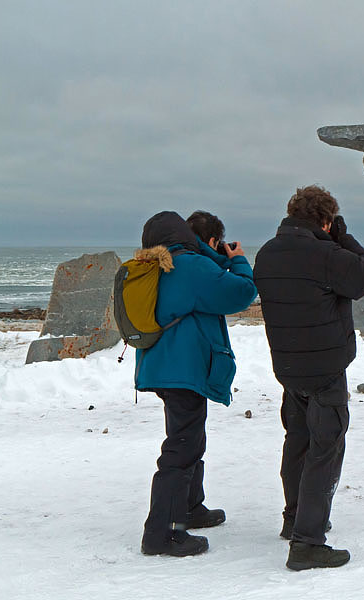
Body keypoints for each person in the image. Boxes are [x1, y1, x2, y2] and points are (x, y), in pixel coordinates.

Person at [254, 185, 364, 571]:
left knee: (298, 443)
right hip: (325, 368)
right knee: (325, 449)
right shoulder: (325, 253)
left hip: (288, 367)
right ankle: (308, 542)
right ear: (325, 220)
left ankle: (295, 519)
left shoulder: (267, 254)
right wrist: (343, 238)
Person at [136, 211, 257, 557]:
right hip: (183, 368)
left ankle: (190, 508)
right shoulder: (187, 265)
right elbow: (241, 292)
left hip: (162, 365)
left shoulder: (156, 266)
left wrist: (214, 254)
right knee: (182, 446)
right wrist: (239, 261)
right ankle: (162, 533)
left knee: (189, 436)